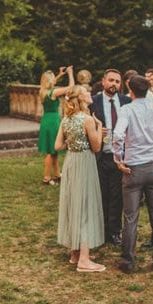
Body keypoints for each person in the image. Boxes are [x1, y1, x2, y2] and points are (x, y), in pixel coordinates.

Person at [111, 75, 153, 273]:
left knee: (131, 217)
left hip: (133, 169)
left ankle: (128, 262)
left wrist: (118, 159)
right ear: (147, 90)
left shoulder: (126, 110)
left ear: (130, 91)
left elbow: (117, 136)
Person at [55, 85, 106, 272]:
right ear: (81, 98)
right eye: (87, 92)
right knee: (85, 206)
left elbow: (58, 145)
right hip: (84, 161)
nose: (90, 94)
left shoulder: (66, 119)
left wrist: (73, 141)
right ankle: (84, 260)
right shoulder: (87, 120)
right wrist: (99, 127)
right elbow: (97, 147)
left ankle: (75, 253)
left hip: (70, 162)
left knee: (73, 204)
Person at [89, 69, 131, 245]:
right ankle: (101, 230)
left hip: (119, 157)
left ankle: (114, 231)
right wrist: (96, 129)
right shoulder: (93, 101)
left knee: (117, 196)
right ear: (103, 81)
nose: (114, 84)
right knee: (100, 195)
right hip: (99, 155)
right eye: (111, 80)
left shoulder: (126, 102)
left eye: (117, 81)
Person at [37, 66, 74, 185]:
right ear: (49, 81)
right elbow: (71, 87)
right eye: (53, 78)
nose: (54, 80)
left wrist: (59, 74)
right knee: (50, 150)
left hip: (46, 120)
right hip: (53, 121)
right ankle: (47, 178)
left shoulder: (43, 91)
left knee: (53, 150)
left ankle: (57, 174)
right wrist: (70, 73)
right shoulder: (54, 92)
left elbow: (52, 83)